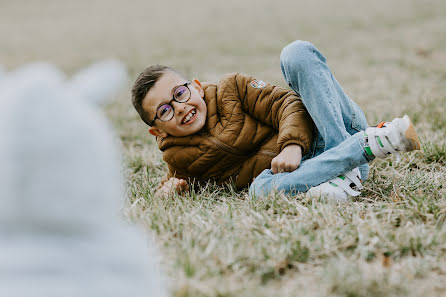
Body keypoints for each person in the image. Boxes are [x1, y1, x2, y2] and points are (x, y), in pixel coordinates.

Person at [131, 40, 421, 201]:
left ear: (194, 86)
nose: (179, 107)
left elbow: (288, 104)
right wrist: (166, 192)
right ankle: (352, 164)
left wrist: (292, 145)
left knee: (296, 53)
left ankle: (355, 147)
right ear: (157, 130)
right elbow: (172, 181)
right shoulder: (180, 158)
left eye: (180, 93)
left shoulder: (231, 88)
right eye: (165, 110)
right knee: (259, 190)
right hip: (309, 169)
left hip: (331, 128)